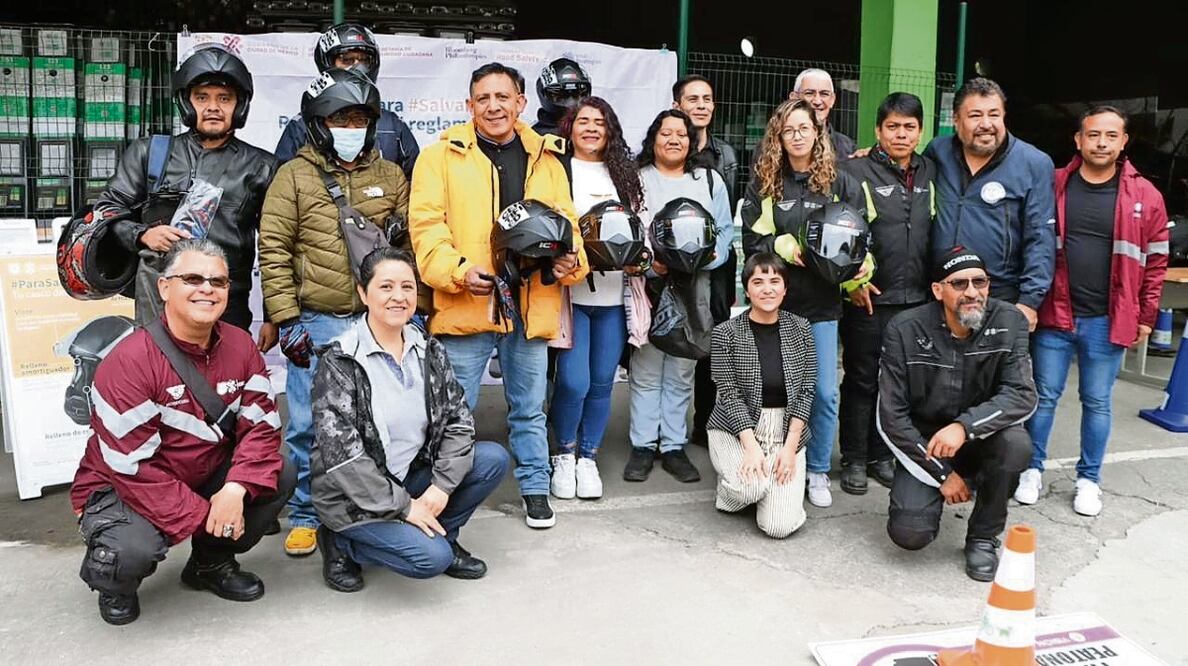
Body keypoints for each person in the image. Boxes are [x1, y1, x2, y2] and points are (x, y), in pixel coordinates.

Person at [70, 239, 294, 625]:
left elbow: (261, 429)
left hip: (200, 471)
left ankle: (210, 564)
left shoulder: (241, 344)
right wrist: (209, 513)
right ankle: (114, 583)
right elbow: (132, 468)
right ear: (164, 287)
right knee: (131, 549)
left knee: (281, 472)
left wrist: (236, 489)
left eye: (218, 282)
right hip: (123, 484)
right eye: (192, 278)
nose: (207, 288)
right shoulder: (129, 361)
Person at [409, 62, 587, 530]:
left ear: (521, 103)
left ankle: (535, 488)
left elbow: (566, 223)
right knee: (454, 411)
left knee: (529, 407)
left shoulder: (546, 156)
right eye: (483, 98)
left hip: (530, 303)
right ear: (469, 106)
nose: (493, 106)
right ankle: (443, 493)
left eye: (503, 97)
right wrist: (457, 272)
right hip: (467, 302)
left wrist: (572, 263)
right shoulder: (440, 156)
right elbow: (427, 229)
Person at [259, 68, 410, 556]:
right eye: (340, 117)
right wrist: (286, 319)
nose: (351, 127)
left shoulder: (390, 175)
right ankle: (305, 513)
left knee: (378, 420)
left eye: (360, 118)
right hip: (318, 319)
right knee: (308, 424)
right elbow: (274, 249)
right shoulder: (294, 176)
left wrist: (412, 311)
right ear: (319, 123)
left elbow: (406, 249)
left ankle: (373, 504)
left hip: (377, 321)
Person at [310, 248, 511, 591]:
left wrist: (441, 486)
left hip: (408, 476)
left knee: (491, 458)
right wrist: (404, 508)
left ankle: (444, 534)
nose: (399, 297)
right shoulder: (340, 361)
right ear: (363, 292)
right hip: (354, 497)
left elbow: (458, 421)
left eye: (407, 287)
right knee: (429, 560)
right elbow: (343, 459)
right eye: (386, 287)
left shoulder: (429, 350)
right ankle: (339, 541)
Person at [1017, 106, 1170, 516]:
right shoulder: (1055, 185)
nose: (1101, 143)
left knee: (1097, 401)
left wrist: (1145, 317)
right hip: (1055, 315)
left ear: (1123, 142)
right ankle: (1030, 470)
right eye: (1093, 135)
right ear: (1078, 140)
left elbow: (1156, 263)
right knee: (1043, 397)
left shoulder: (1145, 196)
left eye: (1110, 136)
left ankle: (1089, 479)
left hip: (1107, 319)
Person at [95, 43, 278, 344]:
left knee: (222, 385)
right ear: (186, 102)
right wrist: (141, 234)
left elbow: (276, 246)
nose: (214, 107)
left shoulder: (263, 167)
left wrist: (273, 317)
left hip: (225, 299)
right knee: (158, 380)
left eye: (225, 98)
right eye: (202, 97)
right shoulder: (149, 153)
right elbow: (107, 209)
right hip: (160, 295)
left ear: (240, 105)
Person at [879, 246, 1035, 582]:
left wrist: (964, 427)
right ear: (938, 290)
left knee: (1017, 445)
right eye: (959, 284)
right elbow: (890, 417)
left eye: (980, 282)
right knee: (909, 534)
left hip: (980, 437)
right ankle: (942, 489)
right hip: (926, 445)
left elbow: (1022, 394)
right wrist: (941, 474)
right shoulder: (904, 329)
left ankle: (983, 536)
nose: (972, 293)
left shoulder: (1010, 321)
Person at [741, 98, 865, 508]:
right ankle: (775, 464)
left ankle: (816, 471)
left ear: (818, 133)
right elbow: (753, 242)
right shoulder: (765, 182)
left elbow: (860, 238)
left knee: (824, 393)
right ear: (779, 136)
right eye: (788, 130)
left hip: (822, 306)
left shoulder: (839, 181)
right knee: (773, 391)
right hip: (776, 308)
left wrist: (860, 273)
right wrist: (781, 243)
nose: (796, 136)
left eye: (804, 129)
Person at [624, 109, 733, 484]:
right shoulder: (637, 180)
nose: (674, 140)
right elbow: (629, 231)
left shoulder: (709, 180)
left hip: (695, 287)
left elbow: (724, 232)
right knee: (648, 366)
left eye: (682, 134)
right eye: (666, 133)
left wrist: (712, 256)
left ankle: (672, 445)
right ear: (653, 138)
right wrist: (650, 266)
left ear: (692, 141)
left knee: (683, 367)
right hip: (652, 284)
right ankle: (642, 445)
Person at [837, 92, 938, 495]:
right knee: (862, 380)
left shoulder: (931, 171)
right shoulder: (855, 171)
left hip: (917, 300)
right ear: (878, 131)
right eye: (892, 126)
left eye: (909, 127)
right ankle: (854, 459)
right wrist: (853, 283)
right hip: (869, 298)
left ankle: (883, 455)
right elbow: (840, 233)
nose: (901, 134)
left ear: (920, 131)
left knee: (897, 384)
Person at [548, 96, 648, 500]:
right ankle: (564, 454)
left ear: (611, 132)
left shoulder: (625, 177)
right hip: (570, 297)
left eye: (600, 123)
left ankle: (588, 456)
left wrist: (640, 260)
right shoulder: (557, 171)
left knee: (603, 382)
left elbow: (643, 230)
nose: (591, 128)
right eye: (583, 121)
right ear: (570, 128)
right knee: (573, 381)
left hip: (612, 299)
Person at [924, 77, 1056, 332]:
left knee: (993, 372)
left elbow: (1040, 238)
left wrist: (1029, 301)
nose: (986, 124)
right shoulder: (937, 152)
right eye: (975, 115)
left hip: (999, 296)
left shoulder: (1034, 163)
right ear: (956, 120)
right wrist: (872, 157)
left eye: (994, 115)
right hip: (940, 293)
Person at [707, 253, 816, 538]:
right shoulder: (725, 333)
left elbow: (807, 390)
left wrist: (790, 448)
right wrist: (752, 447)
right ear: (747, 289)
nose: (767, 289)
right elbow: (728, 394)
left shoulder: (802, 329)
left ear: (785, 288)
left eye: (774, 281)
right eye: (758, 282)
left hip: (785, 430)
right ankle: (733, 493)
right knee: (750, 486)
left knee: (777, 527)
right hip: (735, 429)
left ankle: (771, 489)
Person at [671, 74, 740, 448]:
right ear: (677, 105)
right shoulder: (665, 147)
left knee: (712, 345)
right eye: (692, 98)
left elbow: (728, 215)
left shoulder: (726, 155)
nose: (701, 105)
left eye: (707, 99)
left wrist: (718, 257)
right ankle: (665, 432)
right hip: (674, 268)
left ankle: (705, 424)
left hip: (716, 268)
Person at [274, 23, 419, 178]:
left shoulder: (392, 125)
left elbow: (414, 184)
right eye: (347, 60)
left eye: (364, 60)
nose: (357, 68)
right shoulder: (303, 125)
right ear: (327, 63)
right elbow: (284, 182)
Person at [790, 68, 855, 159]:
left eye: (824, 94)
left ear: (832, 100)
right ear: (794, 98)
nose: (817, 101)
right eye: (809, 93)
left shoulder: (847, 148)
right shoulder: (775, 144)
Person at [532, 57, 591, 137]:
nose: (570, 102)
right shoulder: (534, 137)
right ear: (544, 95)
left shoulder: (592, 131)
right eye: (562, 96)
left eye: (576, 94)